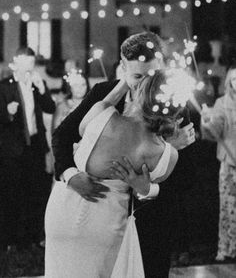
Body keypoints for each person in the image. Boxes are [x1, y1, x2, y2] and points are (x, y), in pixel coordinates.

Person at [51, 31, 195, 277]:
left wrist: (148, 188)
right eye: (138, 76)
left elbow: (186, 177)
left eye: (152, 75)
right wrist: (71, 175)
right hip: (92, 218)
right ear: (123, 68)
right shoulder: (102, 94)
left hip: (150, 226)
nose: (145, 84)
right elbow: (63, 136)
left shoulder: (176, 106)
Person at [0, 47, 56, 251]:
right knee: (13, 194)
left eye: (32, 66)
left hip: (35, 147)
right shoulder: (4, 86)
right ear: (17, 63)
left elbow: (51, 108)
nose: (29, 70)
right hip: (13, 150)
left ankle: (32, 238)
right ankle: (10, 240)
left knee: (35, 193)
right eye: (26, 65)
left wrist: (42, 90)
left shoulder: (36, 84)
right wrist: (7, 113)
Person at [201, 65, 236, 261]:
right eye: (234, 79)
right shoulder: (222, 103)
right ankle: (227, 248)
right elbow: (213, 132)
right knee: (228, 208)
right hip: (230, 163)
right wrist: (208, 120)